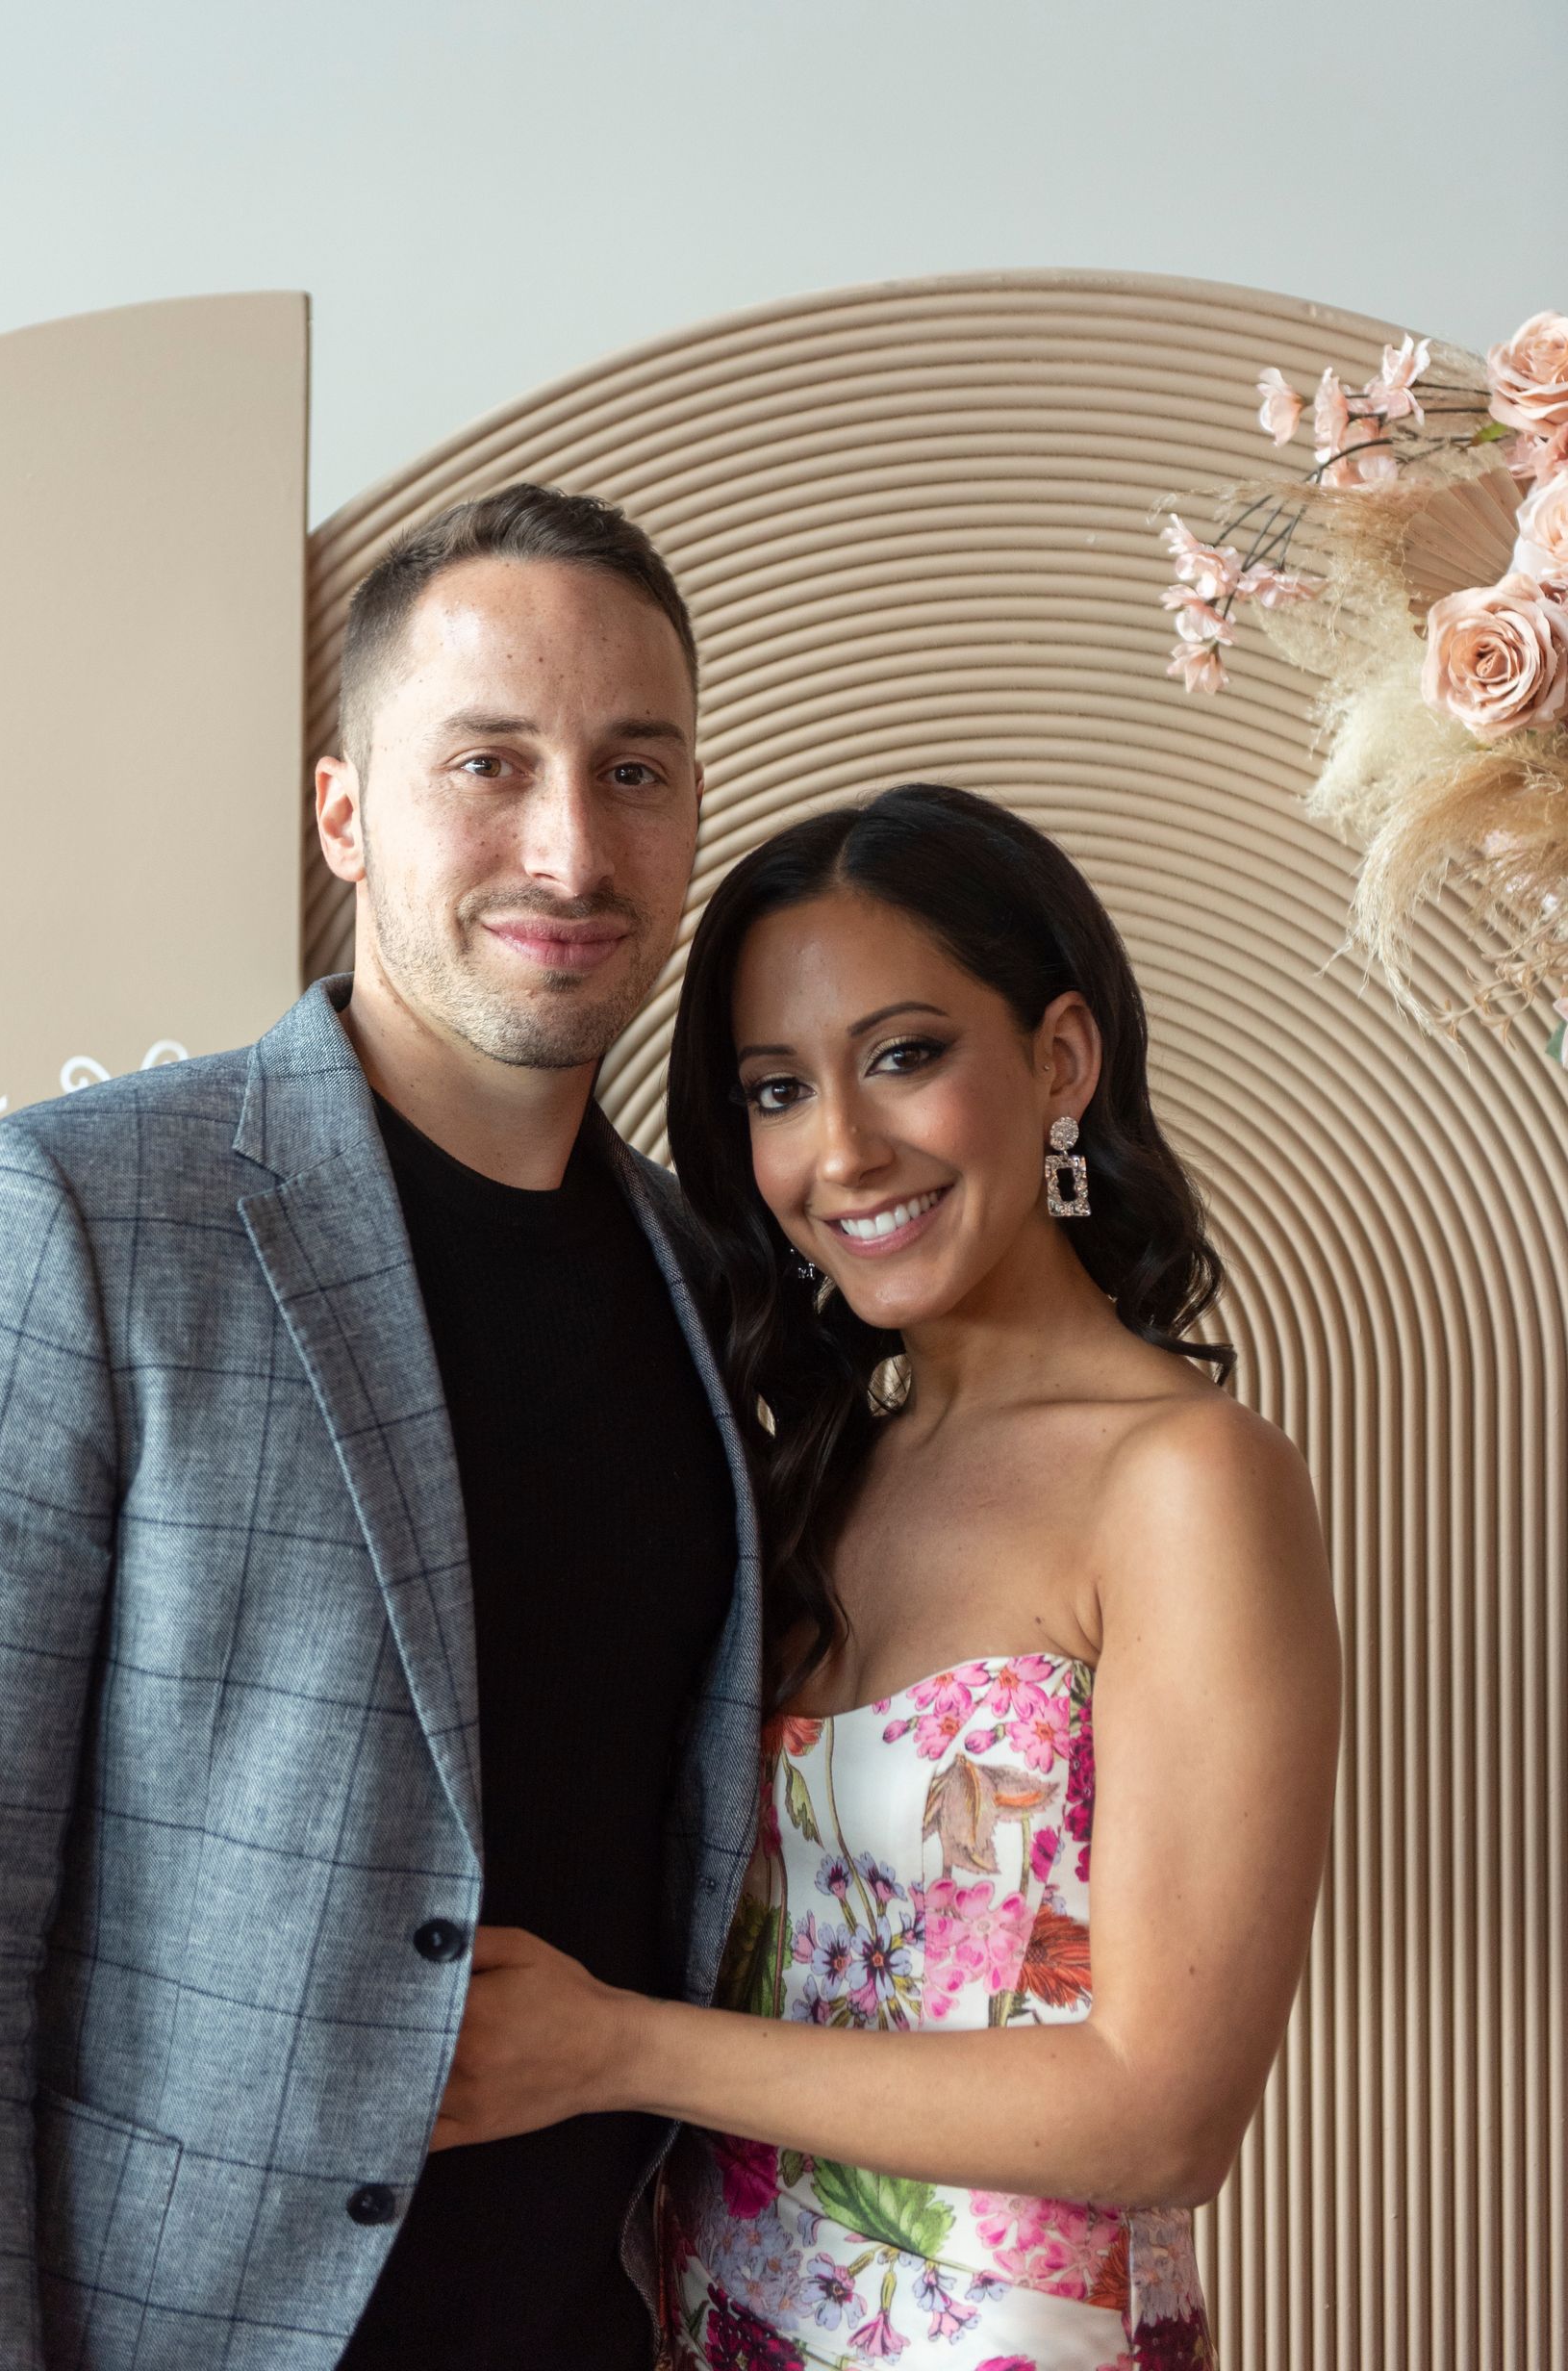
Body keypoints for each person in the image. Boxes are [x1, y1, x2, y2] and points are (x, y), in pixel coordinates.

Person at [0, 484, 763, 2371]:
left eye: (633, 768)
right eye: (489, 762)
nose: (570, 844)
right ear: (346, 813)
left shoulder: (706, 1277)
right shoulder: (66, 1216)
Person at [429, 784, 1343, 2370]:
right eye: (777, 1090)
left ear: (1061, 1059)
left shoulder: (1191, 1484)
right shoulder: (810, 1463)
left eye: (906, 1056)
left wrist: (617, 2050)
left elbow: (1160, 2113)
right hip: (720, 2326)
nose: (842, 1149)